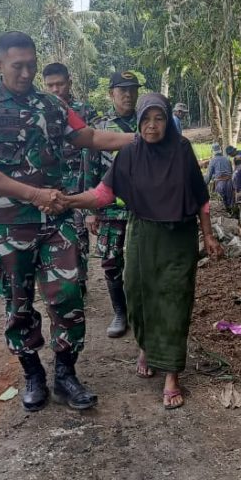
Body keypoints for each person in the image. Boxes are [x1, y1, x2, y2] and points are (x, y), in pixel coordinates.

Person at [0, 31, 134, 413]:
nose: (25, 73)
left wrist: (142, 137)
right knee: (17, 303)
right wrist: (34, 194)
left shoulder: (52, 106)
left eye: (31, 65)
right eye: (17, 66)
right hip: (10, 226)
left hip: (57, 220)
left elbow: (88, 136)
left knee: (69, 295)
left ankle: (66, 375)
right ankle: (33, 374)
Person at [65, 93, 224, 410]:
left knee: (174, 299)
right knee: (137, 293)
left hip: (178, 237)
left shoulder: (181, 151)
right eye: (146, 119)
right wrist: (69, 201)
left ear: (168, 121)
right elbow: (103, 194)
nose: (152, 126)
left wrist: (208, 236)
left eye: (159, 118)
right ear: (138, 122)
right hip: (142, 233)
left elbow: (201, 198)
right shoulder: (130, 152)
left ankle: (171, 374)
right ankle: (146, 346)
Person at [89, 71, 141, 339]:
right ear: (111, 94)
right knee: (111, 260)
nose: (128, 95)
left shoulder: (149, 121)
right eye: (122, 90)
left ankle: (141, 312)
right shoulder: (100, 126)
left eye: (132, 89)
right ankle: (120, 312)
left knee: (143, 261)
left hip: (143, 208)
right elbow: (92, 168)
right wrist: (91, 211)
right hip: (110, 208)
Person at [42, 62, 96, 297]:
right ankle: (60, 278)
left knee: (79, 232)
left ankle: (79, 278)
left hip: (80, 181)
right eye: (50, 85)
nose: (55, 89)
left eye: (60, 84)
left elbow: (94, 149)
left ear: (69, 83)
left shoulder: (84, 111)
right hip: (52, 184)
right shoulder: (42, 111)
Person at [206, 143, 234, 209]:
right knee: (230, 204)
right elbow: (231, 172)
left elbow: (208, 177)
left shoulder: (212, 161)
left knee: (222, 205)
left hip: (220, 184)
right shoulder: (227, 159)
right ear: (220, 149)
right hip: (230, 183)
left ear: (213, 151)